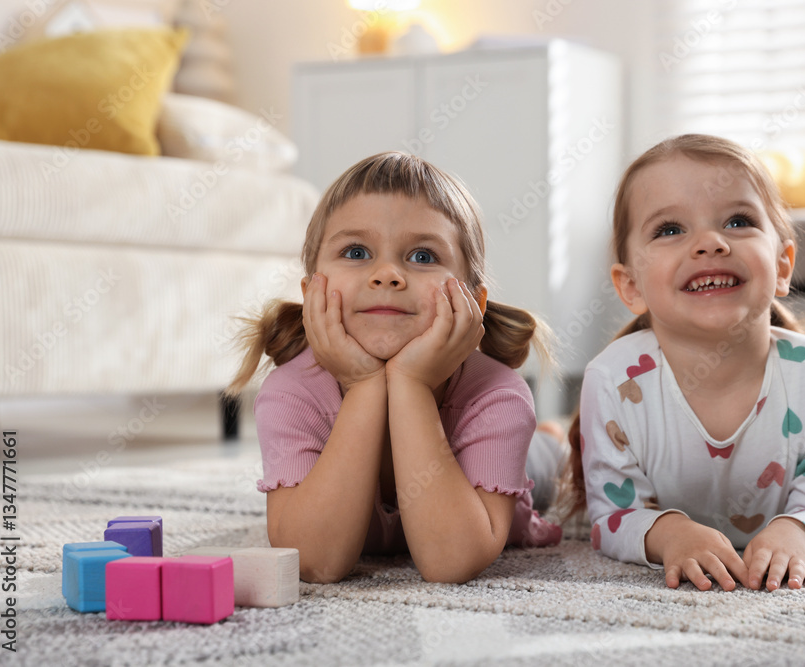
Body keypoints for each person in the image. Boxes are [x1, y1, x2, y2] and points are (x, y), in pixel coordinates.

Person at [558, 134, 805, 594]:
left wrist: (796, 530)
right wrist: (671, 534)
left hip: (797, 486)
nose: (710, 243)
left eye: (738, 221)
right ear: (630, 285)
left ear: (783, 265)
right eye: (670, 229)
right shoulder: (611, 381)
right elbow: (614, 515)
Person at [227, 152, 562, 585]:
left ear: (473, 304)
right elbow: (313, 561)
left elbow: (451, 562)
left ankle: (552, 438)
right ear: (310, 294)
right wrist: (364, 385)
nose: (387, 274)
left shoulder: (499, 396)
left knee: (551, 459)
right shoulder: (291, 393)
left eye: (423, 256)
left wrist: (411, 384)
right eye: (356, 251)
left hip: (524, 467)